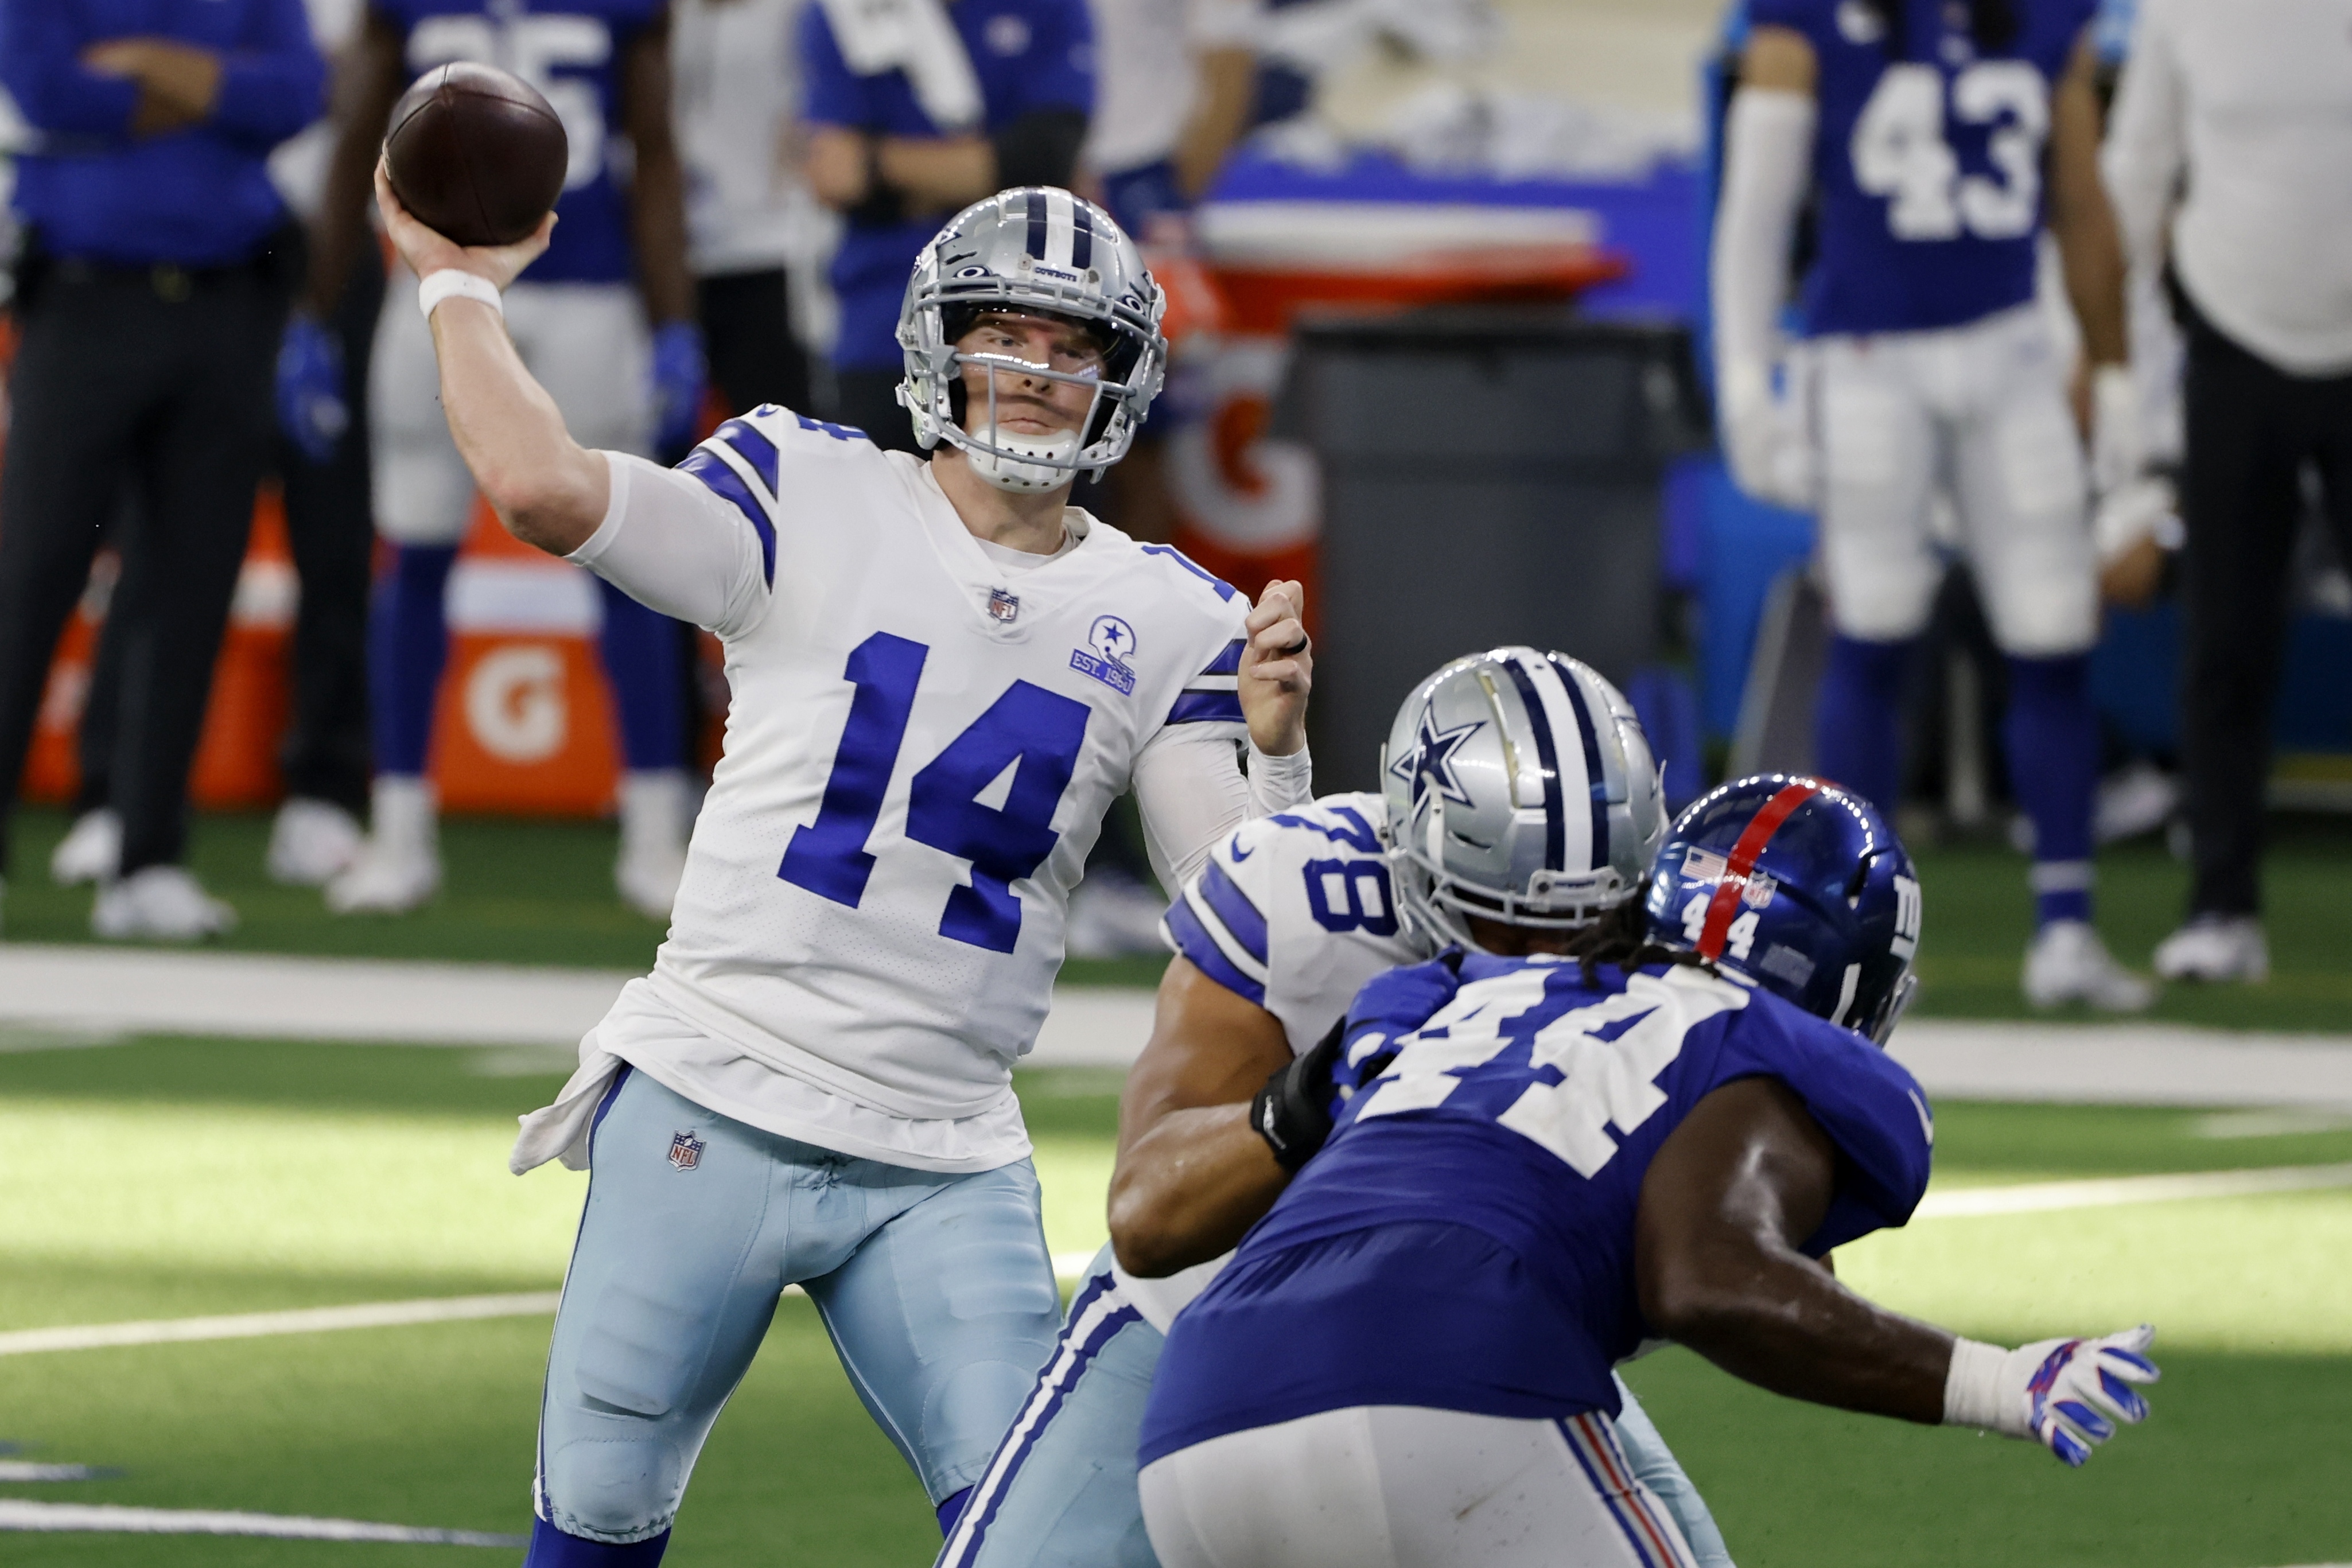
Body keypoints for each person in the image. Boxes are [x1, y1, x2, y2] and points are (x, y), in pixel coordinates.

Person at [374, 170, 1315, 1562]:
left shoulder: (1170, 614)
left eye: (1074, 350)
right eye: (1006, 334)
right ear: (937, 342)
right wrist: (454, 284)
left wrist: (1280, 756)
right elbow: (541, 489)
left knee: (1055, 1541)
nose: (1038, 377)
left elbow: (1248, 929)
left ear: (1122, 382)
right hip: (718, 1087)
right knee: (597, 1519)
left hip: (944, 1151)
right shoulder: (803, 486)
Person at [1137, 775, 2163, 1568]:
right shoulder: (1759, 1040)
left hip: (1198, 1415)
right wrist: (1994, 1380)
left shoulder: (1452, 993)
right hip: (1441, 1380)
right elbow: (1707, 1277)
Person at [938, 648, 1736, 1568]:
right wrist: (1314, 1097)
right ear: (1413, 857)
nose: (1544, 955)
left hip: (1474, 1337)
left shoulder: (1675, 937)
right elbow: (1147, 1215)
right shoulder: (1304, 891)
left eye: (1587, 920)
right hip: (1205, 1319)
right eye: (1505, 918)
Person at [1712, 0, 2153, 1010]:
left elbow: (2078, 200)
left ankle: (2065, 928)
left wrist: (2117, 373)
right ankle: (1853, 938)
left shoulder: (2048, 18)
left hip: (2008, 348)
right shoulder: (1807, 19)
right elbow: (1758, 200)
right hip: (1864, 355)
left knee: (2051, 628)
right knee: (1872, 625)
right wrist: (1745, 377)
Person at [300, 0, 708, 919]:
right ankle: (400, 832)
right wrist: (319, 308)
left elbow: (654, 152)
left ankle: (653, 833)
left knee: (627, 566)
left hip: (584, 289)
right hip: (439, 287)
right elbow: (359, 135)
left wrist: (675, 318)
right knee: (413, 555)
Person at [0, 0, 325, 940]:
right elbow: (49, 91)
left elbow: (297, 94)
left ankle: (147, 858)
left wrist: (143, 65)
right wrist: (212, 91)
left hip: (229, 299)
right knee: (33, 574)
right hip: (84, 295)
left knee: (190, 583)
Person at [2101, 0, 2352, 985]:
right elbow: (2133, 177)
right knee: (2224, 637)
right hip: (2228, 344)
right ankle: (2218, 906)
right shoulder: (2180, 9)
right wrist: (2122, 380)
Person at [800, 0, 1095, 450]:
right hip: (885, 323)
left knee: (1032, 512)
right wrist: (991, 172)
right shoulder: (844, 11)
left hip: (1029, 318)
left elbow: (1045, 160)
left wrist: (880, 164)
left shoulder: (1049, 6)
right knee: (879, 511)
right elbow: (837, 175)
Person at [673, 0, 827, 424]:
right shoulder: (668, 15)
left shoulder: (794, 13)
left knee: (782, 431)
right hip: (673, 259)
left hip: (768, 249)